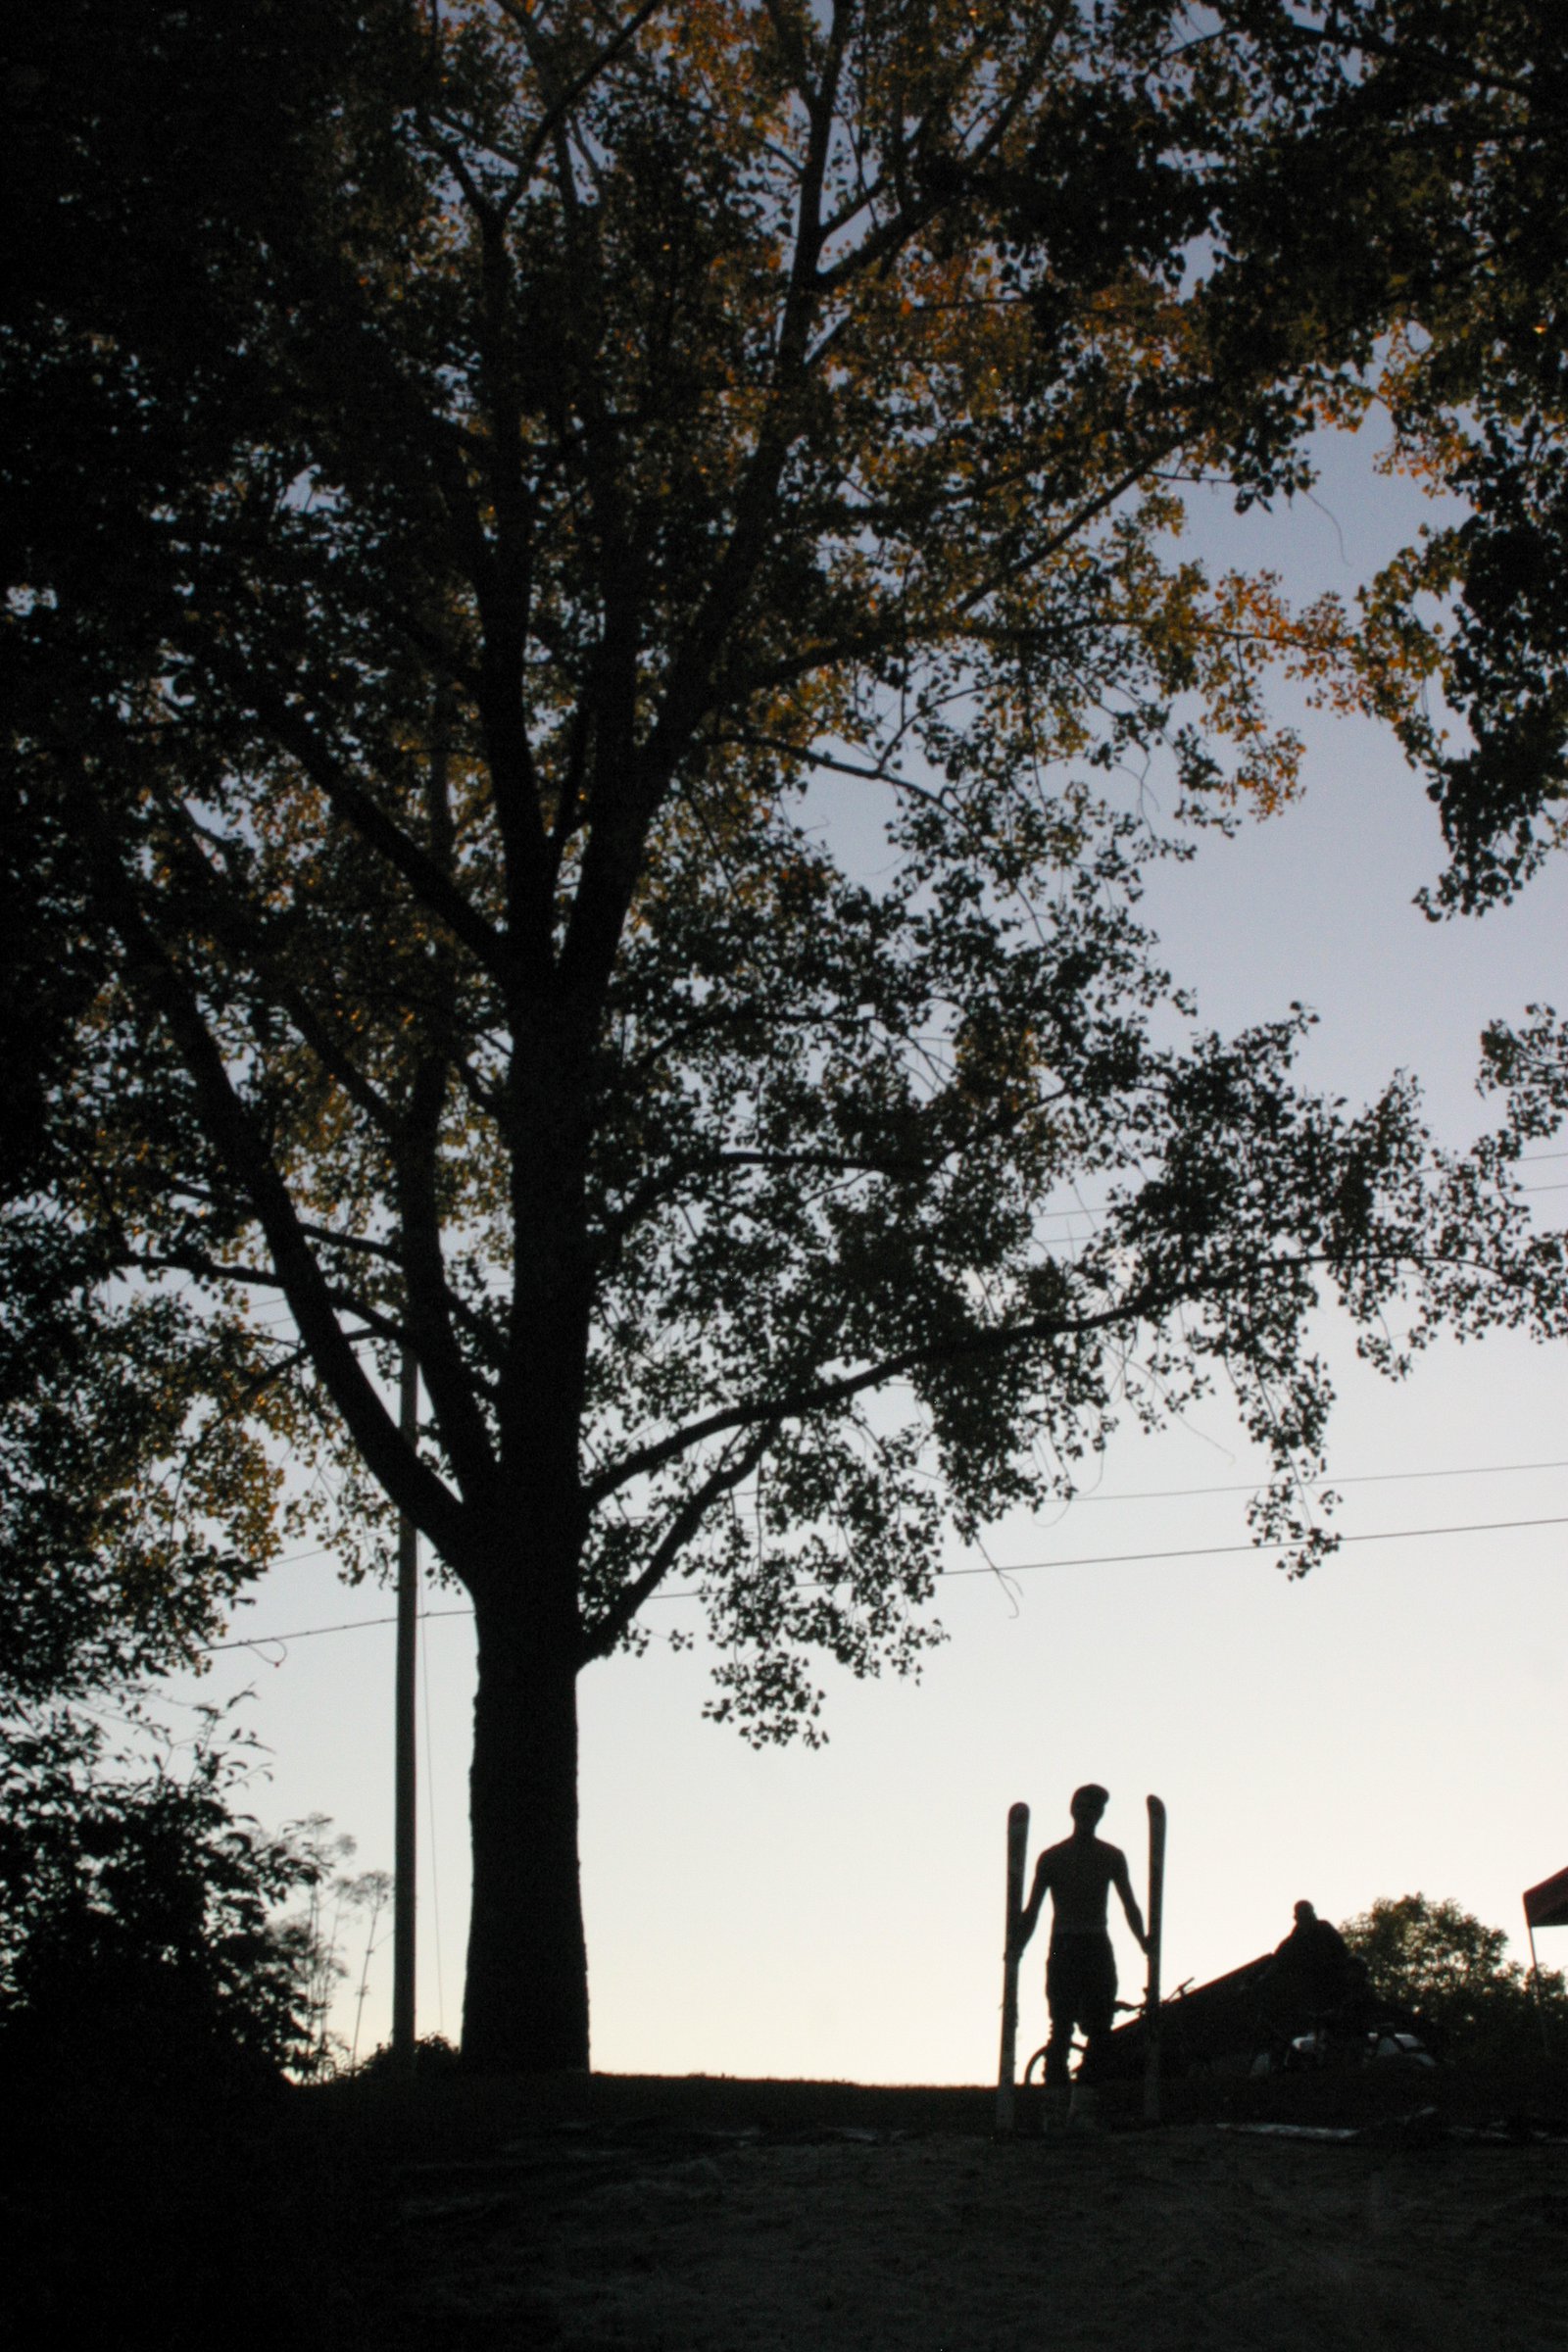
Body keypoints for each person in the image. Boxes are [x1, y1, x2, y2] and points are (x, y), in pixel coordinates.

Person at [1013, 1785, 1148, 2103]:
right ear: (1073, 1810)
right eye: (1083, 1807)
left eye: (1094, 1809)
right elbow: (1032, 1910)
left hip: (1096, 1944)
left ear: (1100, 1815)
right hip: (1064, 1945)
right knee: (1061, 2025)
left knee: (1101, 2028)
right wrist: (1016, 1946)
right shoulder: (1051, 1859)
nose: (1087, 1814)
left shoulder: (1111, 1857)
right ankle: (1055, 2105)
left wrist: (1144, 1941)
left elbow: (1130, 1905)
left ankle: (1085, 2102)